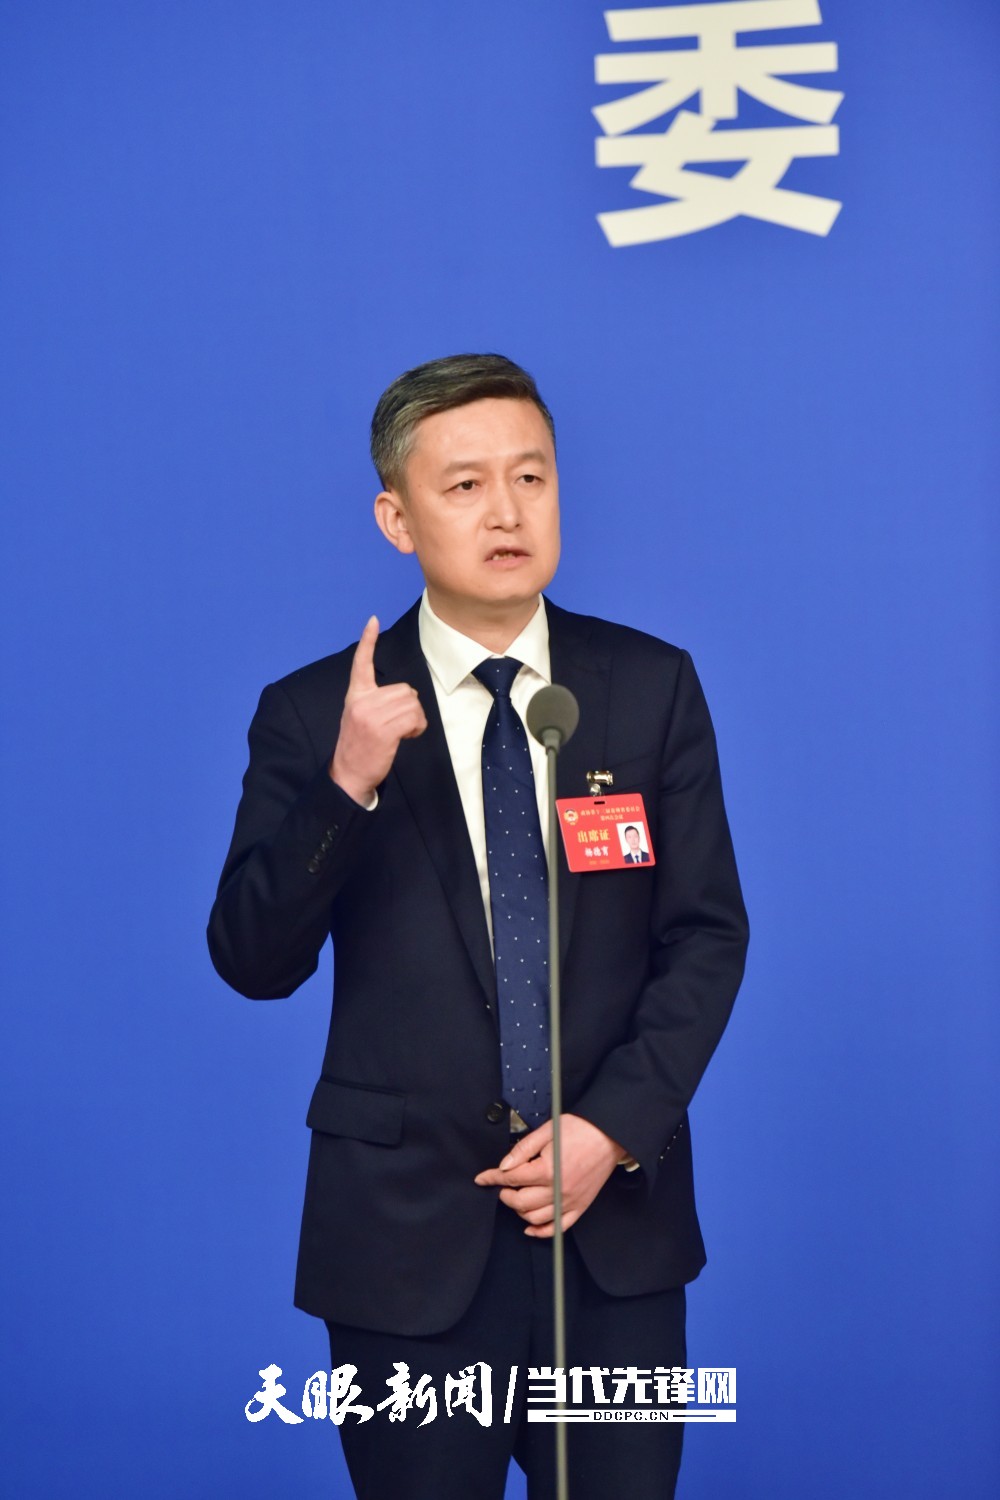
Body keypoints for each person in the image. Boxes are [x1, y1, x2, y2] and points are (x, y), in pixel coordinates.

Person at [208, 353, 748, 1499]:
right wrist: (346, 786)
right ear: (396, 519)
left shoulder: (648, 686)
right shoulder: (316, 713)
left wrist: (611, 1128)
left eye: (530, 477)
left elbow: (706, 935)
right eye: (464, 486)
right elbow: (253, 960)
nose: (506, 511)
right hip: (402, 1245)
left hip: (613, 1236)